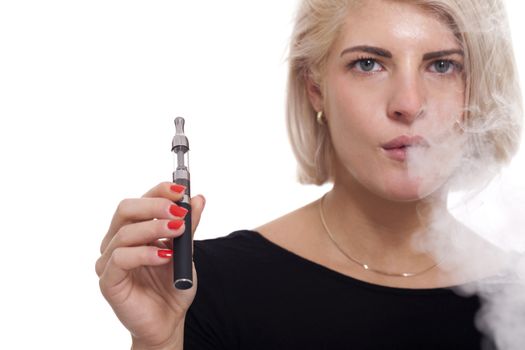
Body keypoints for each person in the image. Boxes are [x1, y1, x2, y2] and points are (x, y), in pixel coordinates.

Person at [96, 0, 523, 349]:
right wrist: (157, 344)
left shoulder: (516, 296)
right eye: (369, 64)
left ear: (478, 90)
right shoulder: (200, 290)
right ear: (315, 86)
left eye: (443, 66)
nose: (409, 104)